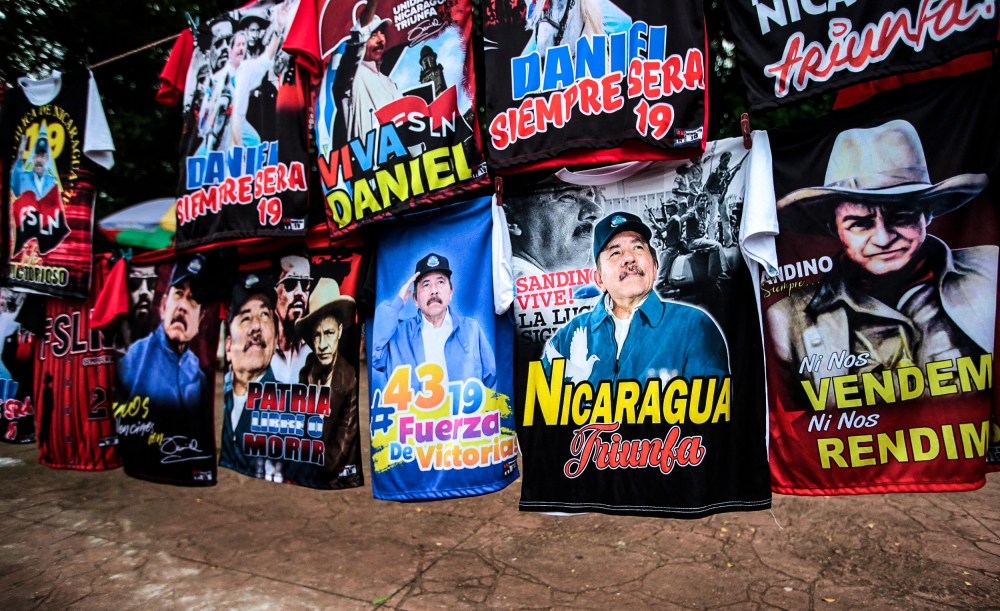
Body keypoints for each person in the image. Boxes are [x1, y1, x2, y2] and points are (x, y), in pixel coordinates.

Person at [767, 119, 995, 404]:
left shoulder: (991, 273)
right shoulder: (788, 322)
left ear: (927, 215)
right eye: (860, 224)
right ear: (834, 228)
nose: (883, 238)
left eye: (901, 217)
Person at [543, 212, 729, 385]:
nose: (629, 258)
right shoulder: (567, 337)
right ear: (599, 279)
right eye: (615, 252)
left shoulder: (694, 326)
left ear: (655, 267)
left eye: (638, 247)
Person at [372, 253, 496, 390]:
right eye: (426, 285)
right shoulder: (400, 335)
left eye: (440, 282)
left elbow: (490, 380)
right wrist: (397, 304)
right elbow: (376, 358)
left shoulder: (471, 330)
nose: (434, 291)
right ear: (415, 299)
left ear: (451, 292)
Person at [116, 255, 209, 416]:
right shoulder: (134, 359)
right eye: (178, 293)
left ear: (200, 319)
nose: (182, 307)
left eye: (192, 299)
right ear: (164, 306)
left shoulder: (200, 377)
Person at [294, 278, 360, 481]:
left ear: (339, 331)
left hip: (328, 473)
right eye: (317, 335)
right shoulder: (306, 373)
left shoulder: (349, 379)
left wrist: (311, 470)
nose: (322, 344)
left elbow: (342, 446)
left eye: (329, 333)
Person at [220, 274, 279, 480]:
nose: (256, 326)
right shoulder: (224, 399)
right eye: (245, 318)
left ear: (276, 340)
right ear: (228, 347)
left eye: (264, 315)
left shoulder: (291, 406)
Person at [330, 0, 402, 143]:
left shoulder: (390, 83)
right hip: (366, 155)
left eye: (382, 33)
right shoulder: (351, 76)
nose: (380, 39)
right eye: (373, 34)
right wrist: (372, 4)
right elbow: (358, 39)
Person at [503, 184, 602, 279]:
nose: (597, 211)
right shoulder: (517, 287)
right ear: (509, 219)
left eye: (590, 197)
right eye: (568, 197)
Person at [10, 132, 67, 255]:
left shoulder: (53, 182)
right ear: (33, 158)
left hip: (46, 240)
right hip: (25, 241)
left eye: (42, 156)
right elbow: (14, 185)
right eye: (37, 156)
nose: (39, 160)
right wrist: (20, 158)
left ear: (47, 159)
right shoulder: (23, 178)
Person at [270, 254, 312, 382]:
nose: (299, 292)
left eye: (305, 283)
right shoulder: (261, 347)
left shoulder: (315, 349)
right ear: (274, 291)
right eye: (290, 283)